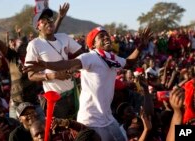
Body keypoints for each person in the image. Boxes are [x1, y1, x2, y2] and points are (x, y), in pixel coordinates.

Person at [23, 26, 152, 140]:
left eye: (107, 35)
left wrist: (141, 46)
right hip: (91, 121)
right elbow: (67, 63)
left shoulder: (111, 58)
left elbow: (129, 62)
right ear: (93, 45)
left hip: (107, 118)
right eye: (101, 36)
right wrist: (45, 64)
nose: (106, 37)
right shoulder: (90, 57)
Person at [0, 2, 69, 120]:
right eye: (19, 45)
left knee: (42, 128)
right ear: (15, 47)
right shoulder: (12, 57)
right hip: (16, 104)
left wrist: (60, 17)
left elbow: (49, 34)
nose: (22, 46)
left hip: (33, 102)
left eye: (24, 44)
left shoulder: (35, 55)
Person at [24, 7, 83, 119]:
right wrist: (53, 75)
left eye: (50, 18)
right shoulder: (34, 45)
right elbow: (30, 75)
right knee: (60, 132)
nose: (48, 21)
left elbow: (82, 56)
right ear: (38, 26)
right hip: (56, 100)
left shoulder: (64, 37)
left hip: (73, 92)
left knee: (79, 126)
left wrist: (74, 68)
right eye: (43, 20)